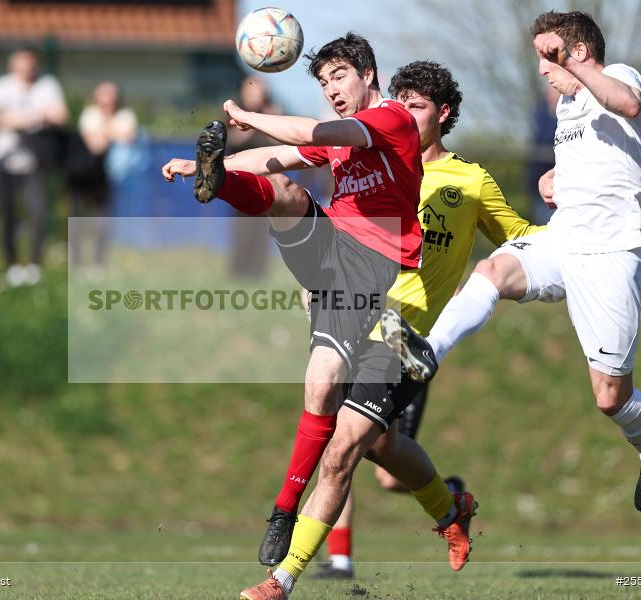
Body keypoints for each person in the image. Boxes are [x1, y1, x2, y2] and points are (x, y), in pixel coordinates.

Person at [383, 11, 641, 515]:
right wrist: (554, 178)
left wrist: (571, 66)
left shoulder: (623, 76)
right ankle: (425, 354)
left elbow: (625, 105)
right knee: (490, 272)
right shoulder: (567, 106)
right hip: (562, 240)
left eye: (550, 56)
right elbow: (596, 156)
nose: (543, 69)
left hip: (610, 254)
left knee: (610, 399)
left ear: (578, 52)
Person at [162, 32, 436, 567]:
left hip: (369, 268)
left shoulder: (392, 120)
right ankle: (220, 186)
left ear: (368, 76)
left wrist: (249, 114)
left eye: (340, 76)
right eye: (323, 81)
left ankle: (284, 509)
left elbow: (310, 130)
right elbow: (281, 153)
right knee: (286, 192)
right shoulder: (339, 136)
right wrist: (211, 169)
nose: (332, 88)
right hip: (331, 242)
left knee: (320, 385)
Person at [313, 60, 543, 580]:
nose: (405, 114)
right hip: (356, 315)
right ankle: (345, 555)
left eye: (417, 106)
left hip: (404, 333)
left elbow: (521, 235)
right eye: (400, 103)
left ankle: (447, 503)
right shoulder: (377, 163)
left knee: (368, 450)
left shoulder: (471, 180)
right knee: (346, 436)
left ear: (444, 113)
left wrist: (572, 221)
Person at [0, 46, 68, 286]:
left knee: (38, 213)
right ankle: (12, 266)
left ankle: (34, 265)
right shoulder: (1, 86)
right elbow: (3, 118)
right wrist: (37, 117)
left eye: (30, 64)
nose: (26, 69)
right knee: (8, 216)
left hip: (35, 161)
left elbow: (60, 116)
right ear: (13, 65)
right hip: (4, 159)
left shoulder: (48, 85)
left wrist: (27, 119)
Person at [68, 81, 139, 275]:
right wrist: (113, 131)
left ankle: (99, 263)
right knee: (78, 219)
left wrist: (105, 130)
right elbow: (96, 145)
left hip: (109, 177)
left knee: (103, 221)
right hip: (85, 175)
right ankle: (76, 263)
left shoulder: (125, 115)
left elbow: (128, 136)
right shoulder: (90, 115)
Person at [227, 75, 281, 279]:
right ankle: (239, 269)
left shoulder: (272, 112)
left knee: (262, 227)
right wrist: (252, 121)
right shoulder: (236, 114)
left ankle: (257, 271)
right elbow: (233, 138)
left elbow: (279, 141)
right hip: (240, 180)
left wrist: (269, 121)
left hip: (266, 182)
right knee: (242, 227)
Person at [526, 83, 560, 225]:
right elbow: (543, 138)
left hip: (561, 182)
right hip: (540, 184)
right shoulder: (541, 112)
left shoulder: (570, 112)